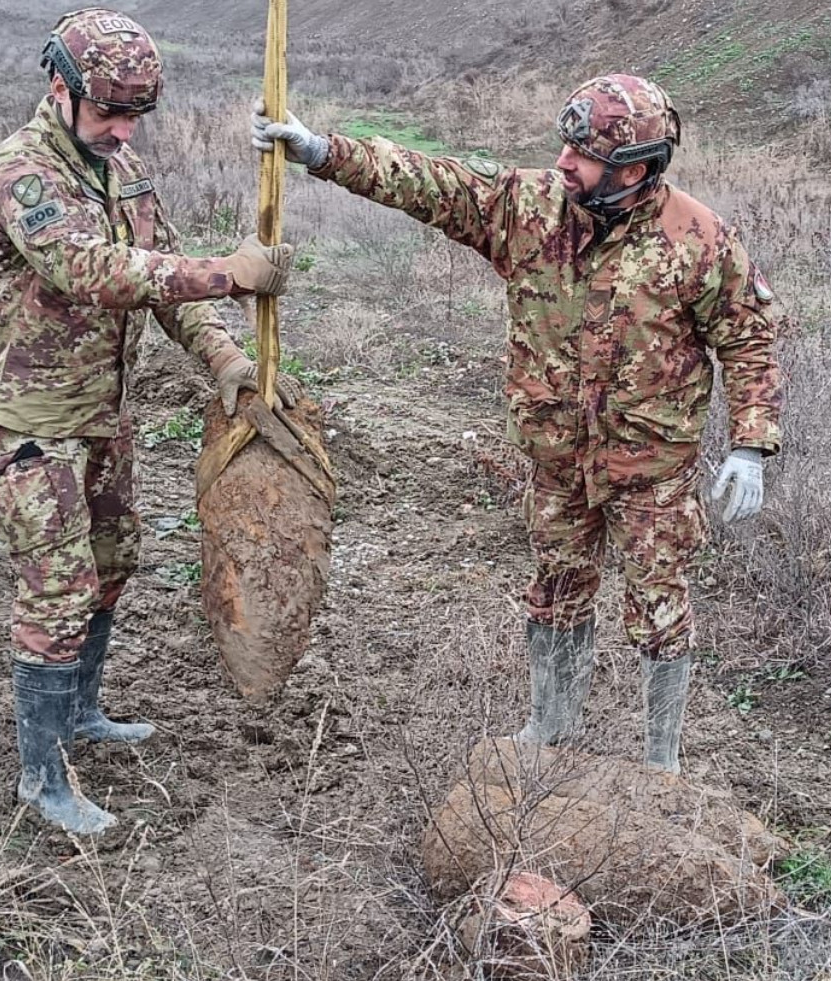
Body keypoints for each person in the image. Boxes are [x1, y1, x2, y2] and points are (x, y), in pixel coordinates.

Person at [253, 74, 781, 774]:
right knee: (557, 590)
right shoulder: (529, 207)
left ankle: (661, 763)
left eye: (584, 156)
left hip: (648, 471)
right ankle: (548, 732)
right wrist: (320, 150)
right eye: (565, 147)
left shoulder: (698, 239)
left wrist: (750, 443)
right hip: (558, 461)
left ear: (635, 169)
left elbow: (748, 335)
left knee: (659, 607)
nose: (564, 163)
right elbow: (429, 183)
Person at [0, 7, 296, 835]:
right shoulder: (22, 175)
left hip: (100, 415)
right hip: (28, 415)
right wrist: (228, 273)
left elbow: (161, 284)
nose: (120, 128)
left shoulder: (124, 171)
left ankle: (80, 715)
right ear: (61, 89)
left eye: (134, 114)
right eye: (108, 111)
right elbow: (92, 271)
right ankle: (41, 782)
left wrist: (223, 358)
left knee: (112, 559)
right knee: (57, 584)